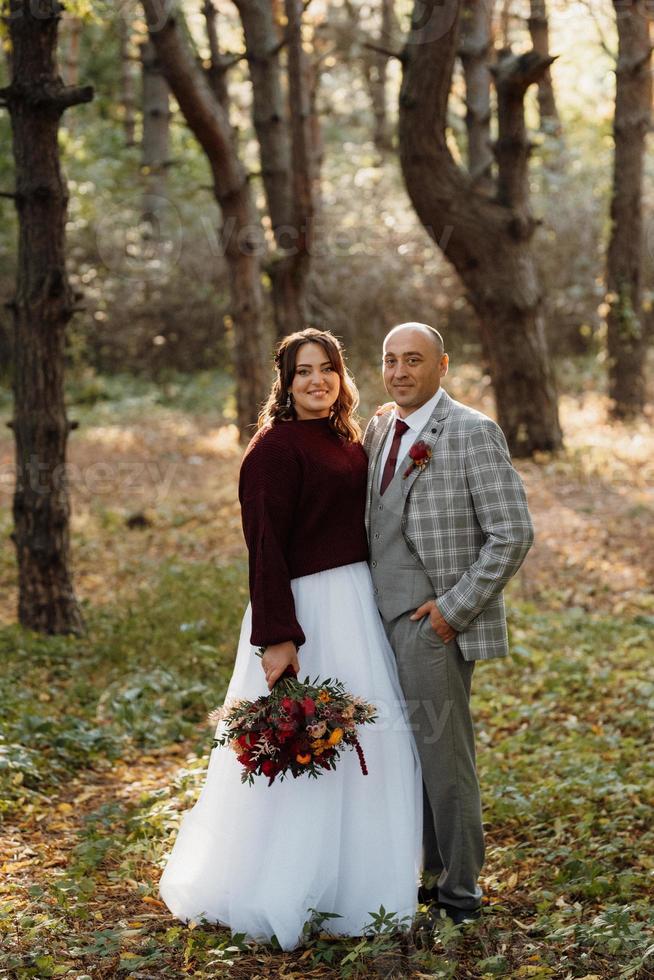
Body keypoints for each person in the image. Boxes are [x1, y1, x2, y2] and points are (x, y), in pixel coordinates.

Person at [158, 328, 422, 951]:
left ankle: (353, 890)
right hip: (306, 608)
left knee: (365, 745)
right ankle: (280, 887)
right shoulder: (273, 451)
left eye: (327, 369)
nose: (316, 381)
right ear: (285, 382)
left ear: (341, 376)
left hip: (357, 602)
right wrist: (277, 636)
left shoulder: (344, 436)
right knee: (304, 745)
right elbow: (264, 549)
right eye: (303, 372)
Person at [364, 322, 534, 924]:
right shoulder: (380, 427)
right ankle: (424, 875)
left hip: (430, 624)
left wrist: (452, 612)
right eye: (390, 360)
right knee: (402, 755)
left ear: (442, 366)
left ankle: (459, 892)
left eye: (414, 360)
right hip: (374, 620)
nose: (400, 371)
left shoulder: (471, 432)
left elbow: (513, 533)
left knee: (444, 755)